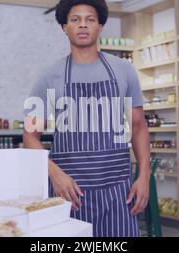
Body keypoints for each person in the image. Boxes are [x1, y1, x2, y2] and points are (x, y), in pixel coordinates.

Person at [23, 0, 151, 237]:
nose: (83, 25)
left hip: (118, 194)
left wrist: (143, 176)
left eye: (90, 19)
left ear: (100, 26)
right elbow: (30, 136)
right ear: (64, 27)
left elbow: (139, 127)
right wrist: (54, 173)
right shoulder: (48, 77)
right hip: (70, 193)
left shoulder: (124, 71)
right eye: (75, 20)